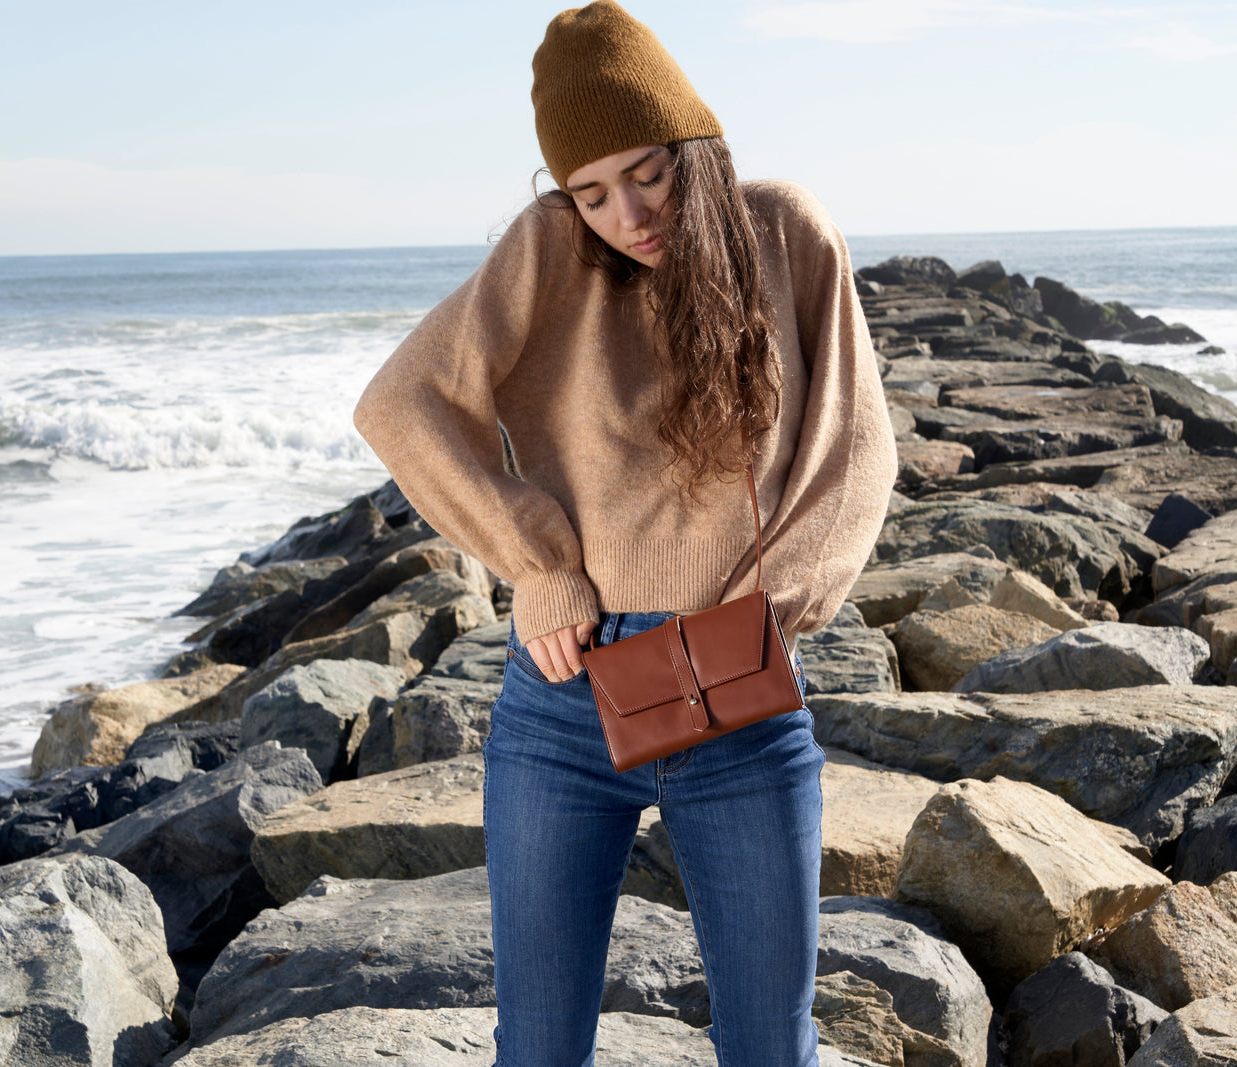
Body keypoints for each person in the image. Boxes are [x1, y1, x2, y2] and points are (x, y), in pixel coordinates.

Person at [352, 2, 897, 1063]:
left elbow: (853, 449)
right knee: (542, 1046)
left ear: (694, 143)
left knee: (769, 1045)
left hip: (736, 692)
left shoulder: (785, 229)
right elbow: (399, 404)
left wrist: (769, 612)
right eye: (590, 189)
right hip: (566, 702)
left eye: (645, 171)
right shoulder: (551, 248)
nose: (625, 211)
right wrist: (539, 565)